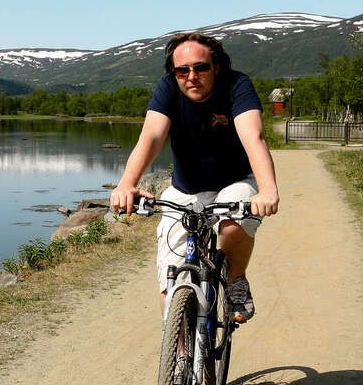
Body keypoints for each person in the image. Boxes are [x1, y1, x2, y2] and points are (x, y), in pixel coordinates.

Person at [109, 32, 279, 323]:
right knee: (171, 280)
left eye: (201, 67)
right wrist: (127, 184)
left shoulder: (237, 85)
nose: (192, 76)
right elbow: (151, 136)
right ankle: (177, 348)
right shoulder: (168, 88)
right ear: (173, 72)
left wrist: (267, 190)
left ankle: (235, 278)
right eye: (182, 70)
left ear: (217, 67)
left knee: (233, 224)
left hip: (235, 181)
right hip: (186, 188)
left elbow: (254, 136)